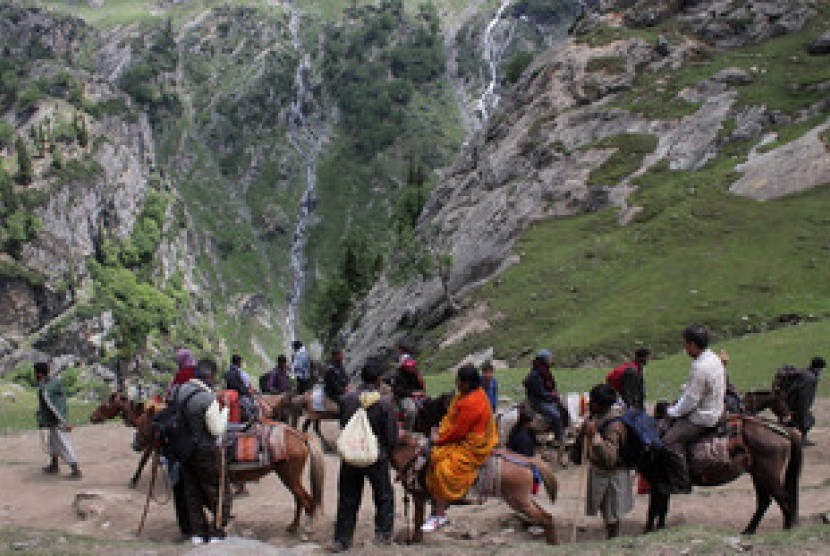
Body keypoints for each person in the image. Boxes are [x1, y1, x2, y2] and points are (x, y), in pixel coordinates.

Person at [331, 361, 398, 552]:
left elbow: (344, 426)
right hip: (376, 456)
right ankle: (383, 535)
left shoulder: (347, 399)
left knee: (347, 497)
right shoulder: (384, 403)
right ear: (378, 380)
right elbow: (391, 435)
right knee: (384, 496)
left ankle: (342, 540)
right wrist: (388, 450)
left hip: (352, 455)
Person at [423, 364, 498, 532]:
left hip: (472, 444)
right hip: (459, 434)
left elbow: (458, 431)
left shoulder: (472, 402)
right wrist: (441, 430)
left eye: (459, 381)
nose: (456, 383)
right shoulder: (468, 394)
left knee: (442, 466)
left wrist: (439, 438)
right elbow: (451, 418)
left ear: (466, 383)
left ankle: (440, 513)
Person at [172, 358, 231, 545]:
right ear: (210, 376)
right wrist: (226, 408)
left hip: (185, 451)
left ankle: (198, 533)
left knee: (193, 492)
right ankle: (216, 530)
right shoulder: (207, 399)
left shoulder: (179, 392)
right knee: (219, 490)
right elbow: (217, 429)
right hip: (205, 451)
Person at [663, 325, 725, 494]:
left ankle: (681, 482)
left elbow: (691, 401)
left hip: (704, 416)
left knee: (669, 441)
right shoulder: (714, 358)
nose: (684, 348)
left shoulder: (699, 366)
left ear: (692, 344)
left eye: (685, 344)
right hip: (718, 408)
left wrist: (672, 411)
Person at [581, 383, 634, 539]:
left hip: (611, 475)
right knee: (606, 510)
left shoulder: (615, 425)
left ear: (600, 404)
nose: (590, 404)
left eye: (593, 401)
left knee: (612, 512)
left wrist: (595, 436)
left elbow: (610, 457)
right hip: (599, 471)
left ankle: (613, 539)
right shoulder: (598, 416)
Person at [35, 361, 82, 479]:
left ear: (39, 374)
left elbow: (53, 406)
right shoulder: (53, 382)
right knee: (53, 443)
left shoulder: (46, 389)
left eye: (35, 372)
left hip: (57, 420)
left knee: (63, 443)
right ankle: (54, 465)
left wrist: (64, 422)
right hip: (55, 420)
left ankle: (76, 470)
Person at [523, 349, 565, 446]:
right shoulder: (535, 375)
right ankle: (559, 439)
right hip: (537, 401)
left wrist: (554, 393)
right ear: (544, 360)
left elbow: (551, 385)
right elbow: (540, 393)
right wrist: (552, 395)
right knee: (556, 415)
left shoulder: (545, 371)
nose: (551, 360)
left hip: (545, 398)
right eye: (549, 359)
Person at [784, 356, 825, 446]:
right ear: (818, 368)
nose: (822, 372)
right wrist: (802, 410)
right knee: (808, 420)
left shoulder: (806, 372)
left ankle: (789, 431)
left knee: (799, 420)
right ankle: (802, 439)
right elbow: (803, 397)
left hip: (792, 402)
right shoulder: (810, 379)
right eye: (822, 369)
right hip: (796, 404)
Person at [392, 355, 425, 431]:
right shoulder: (398, 375)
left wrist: (420, 389)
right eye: (409, 366)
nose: (411, 368)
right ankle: (407, 431)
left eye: (412, 366)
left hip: (415, 395)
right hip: (402, 397)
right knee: (411, 410)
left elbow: (420, 387)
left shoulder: (414, 373)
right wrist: (412, 394)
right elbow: (398, 390)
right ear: (404, 366)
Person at [225, 354, 256, 421]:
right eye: (241, 362)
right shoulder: (239, 372)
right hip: (239, 395)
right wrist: (249, 391)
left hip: (230, 394)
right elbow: (241, 387)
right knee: (252, 407)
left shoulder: (227, 372)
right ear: (239, 362)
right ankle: (251, 421)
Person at [323, 347, 350, 412]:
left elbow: (346, 377)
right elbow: (334, 385)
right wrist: (344, 391)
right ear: (335, 356)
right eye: (340, 354)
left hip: (342, 389)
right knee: (346, 401)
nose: (342, 356)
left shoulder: (340, 365)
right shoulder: (330, 369)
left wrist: (347, 385)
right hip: (333, 393)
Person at [719, 350, 743, 414]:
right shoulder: (720, 371)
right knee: (735, 398)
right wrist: (732, 390)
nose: (725, 362)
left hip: (726, 389)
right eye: (724, 361)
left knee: (739, 394)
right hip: (722, 392)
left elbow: (727, 383)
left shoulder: (723, 370)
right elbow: (723, 385)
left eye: (725, 361)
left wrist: (733, 387)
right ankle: (736, 412)